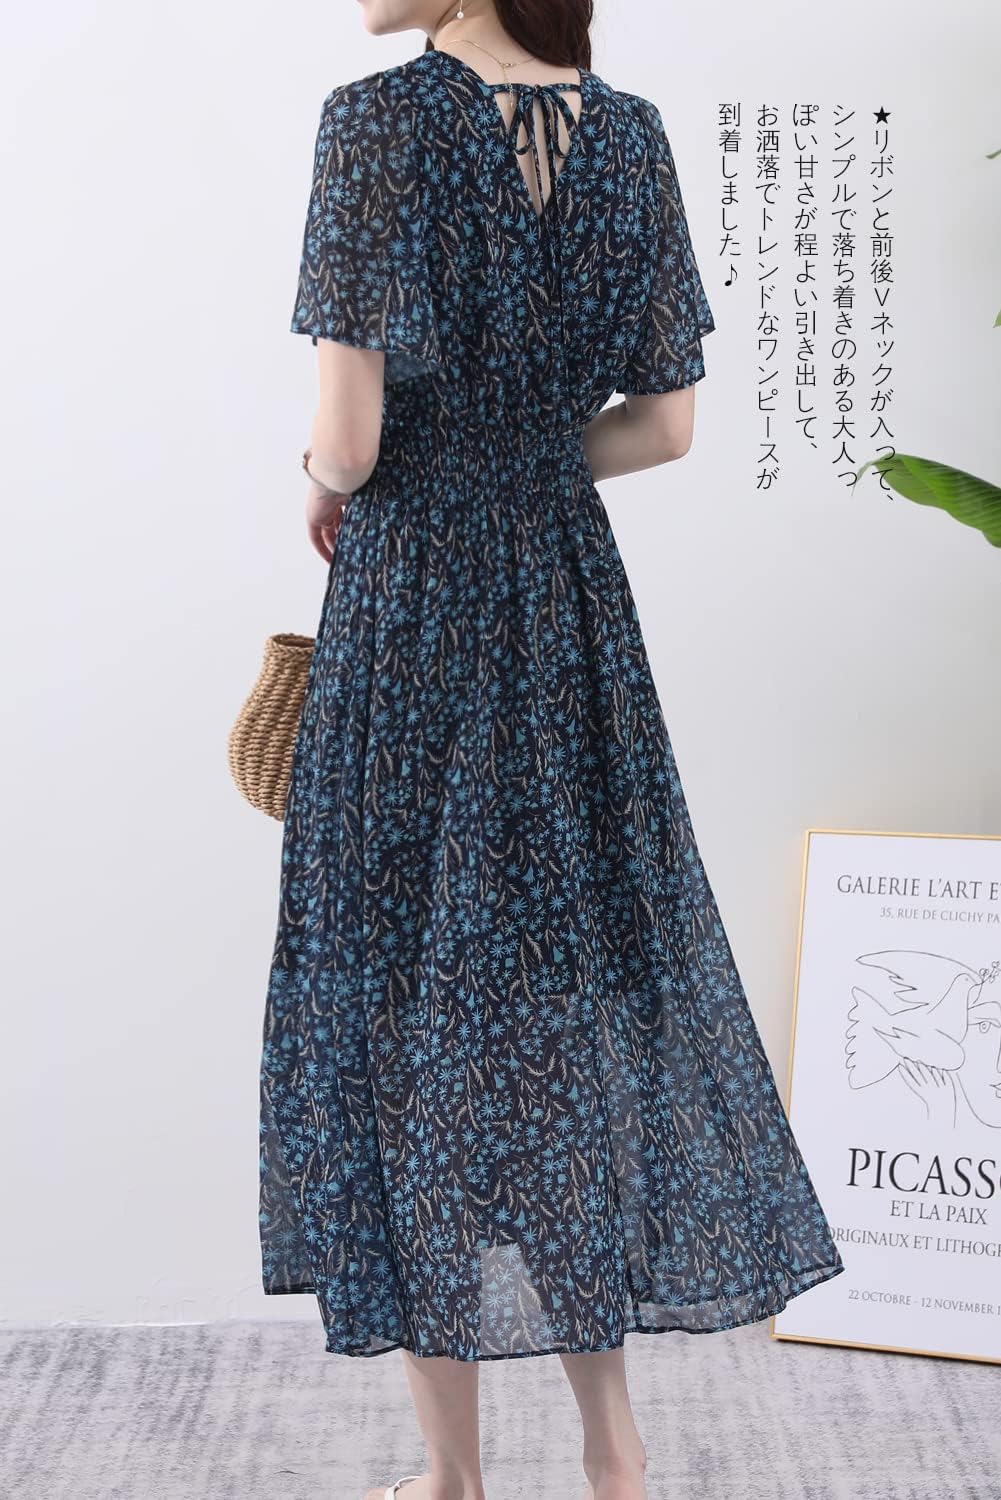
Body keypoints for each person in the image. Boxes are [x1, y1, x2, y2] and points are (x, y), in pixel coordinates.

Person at [258, 2, 847, 1497]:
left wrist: (326, 474)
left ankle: (454, 1479)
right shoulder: (628, 137)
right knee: (564, 1009)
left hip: (415, 612)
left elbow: (351, 444)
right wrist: (518, 460)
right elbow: (665, 427)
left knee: (407, 1021)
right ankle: (613, 1453)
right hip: (567, 611)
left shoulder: (372, 122)